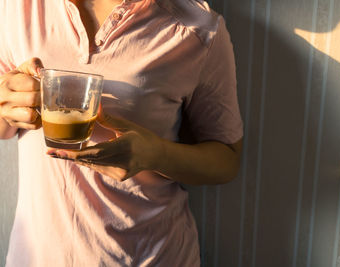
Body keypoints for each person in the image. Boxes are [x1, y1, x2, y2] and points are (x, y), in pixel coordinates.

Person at [0, 0, 243, 266]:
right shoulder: (17, 7)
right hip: (36, 256)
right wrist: (6, 103)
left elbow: (227, 160)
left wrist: (153, 154)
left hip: (148, 257)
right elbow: (4, 128)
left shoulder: (198, 29)